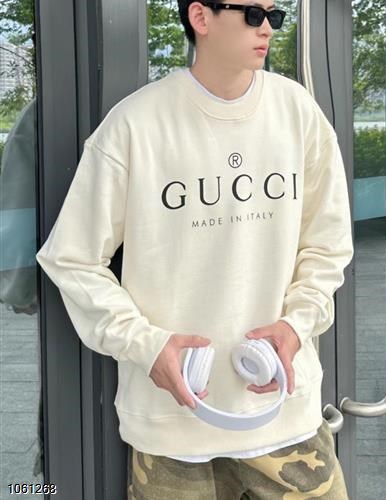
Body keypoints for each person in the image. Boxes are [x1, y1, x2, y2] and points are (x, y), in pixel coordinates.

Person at [35, 0, 354, 497]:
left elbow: (328, 245)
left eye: (274, 16)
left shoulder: (298, 112)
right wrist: (147, 346)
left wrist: (298, 324)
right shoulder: (135, 125)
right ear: (201, 18)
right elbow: (71, 258)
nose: (267, 29)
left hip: (286, 415)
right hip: (171, 429)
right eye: (253, 15)